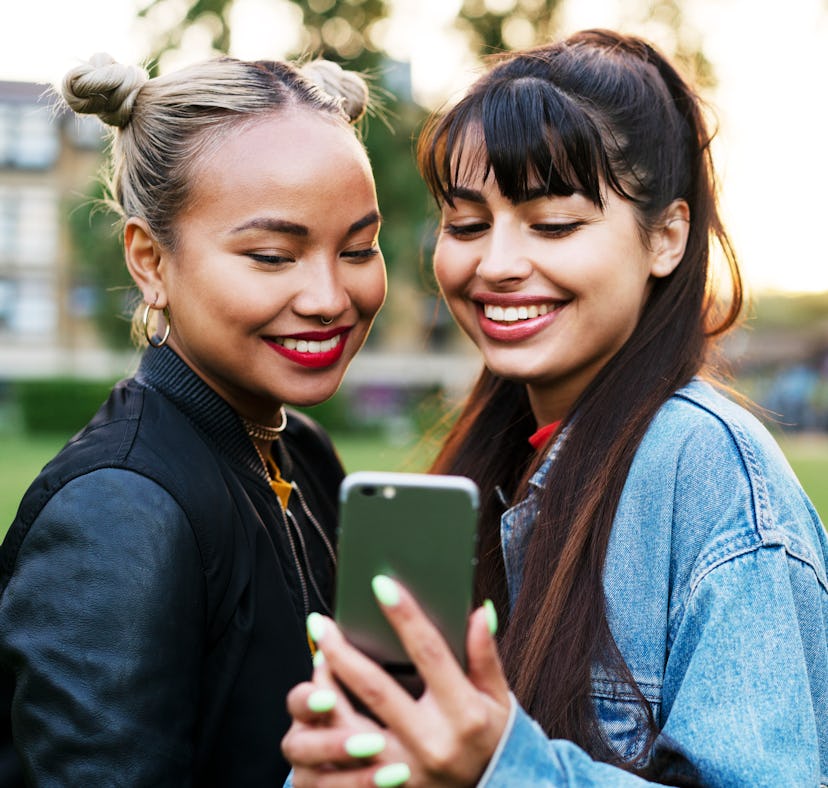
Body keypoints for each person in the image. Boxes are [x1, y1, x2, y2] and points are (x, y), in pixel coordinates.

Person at [281, 29, 828, 787]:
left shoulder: (708, 469)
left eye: (555, 225)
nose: (497, 264)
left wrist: (501, 765)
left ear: (667, 238)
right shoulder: (496, 454)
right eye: (466, 225)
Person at [0, 51, 386, 785]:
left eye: (360, 248)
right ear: (150, 261)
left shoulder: (302, 450)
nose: (330, 297)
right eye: (272, 256)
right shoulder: (117, 512)